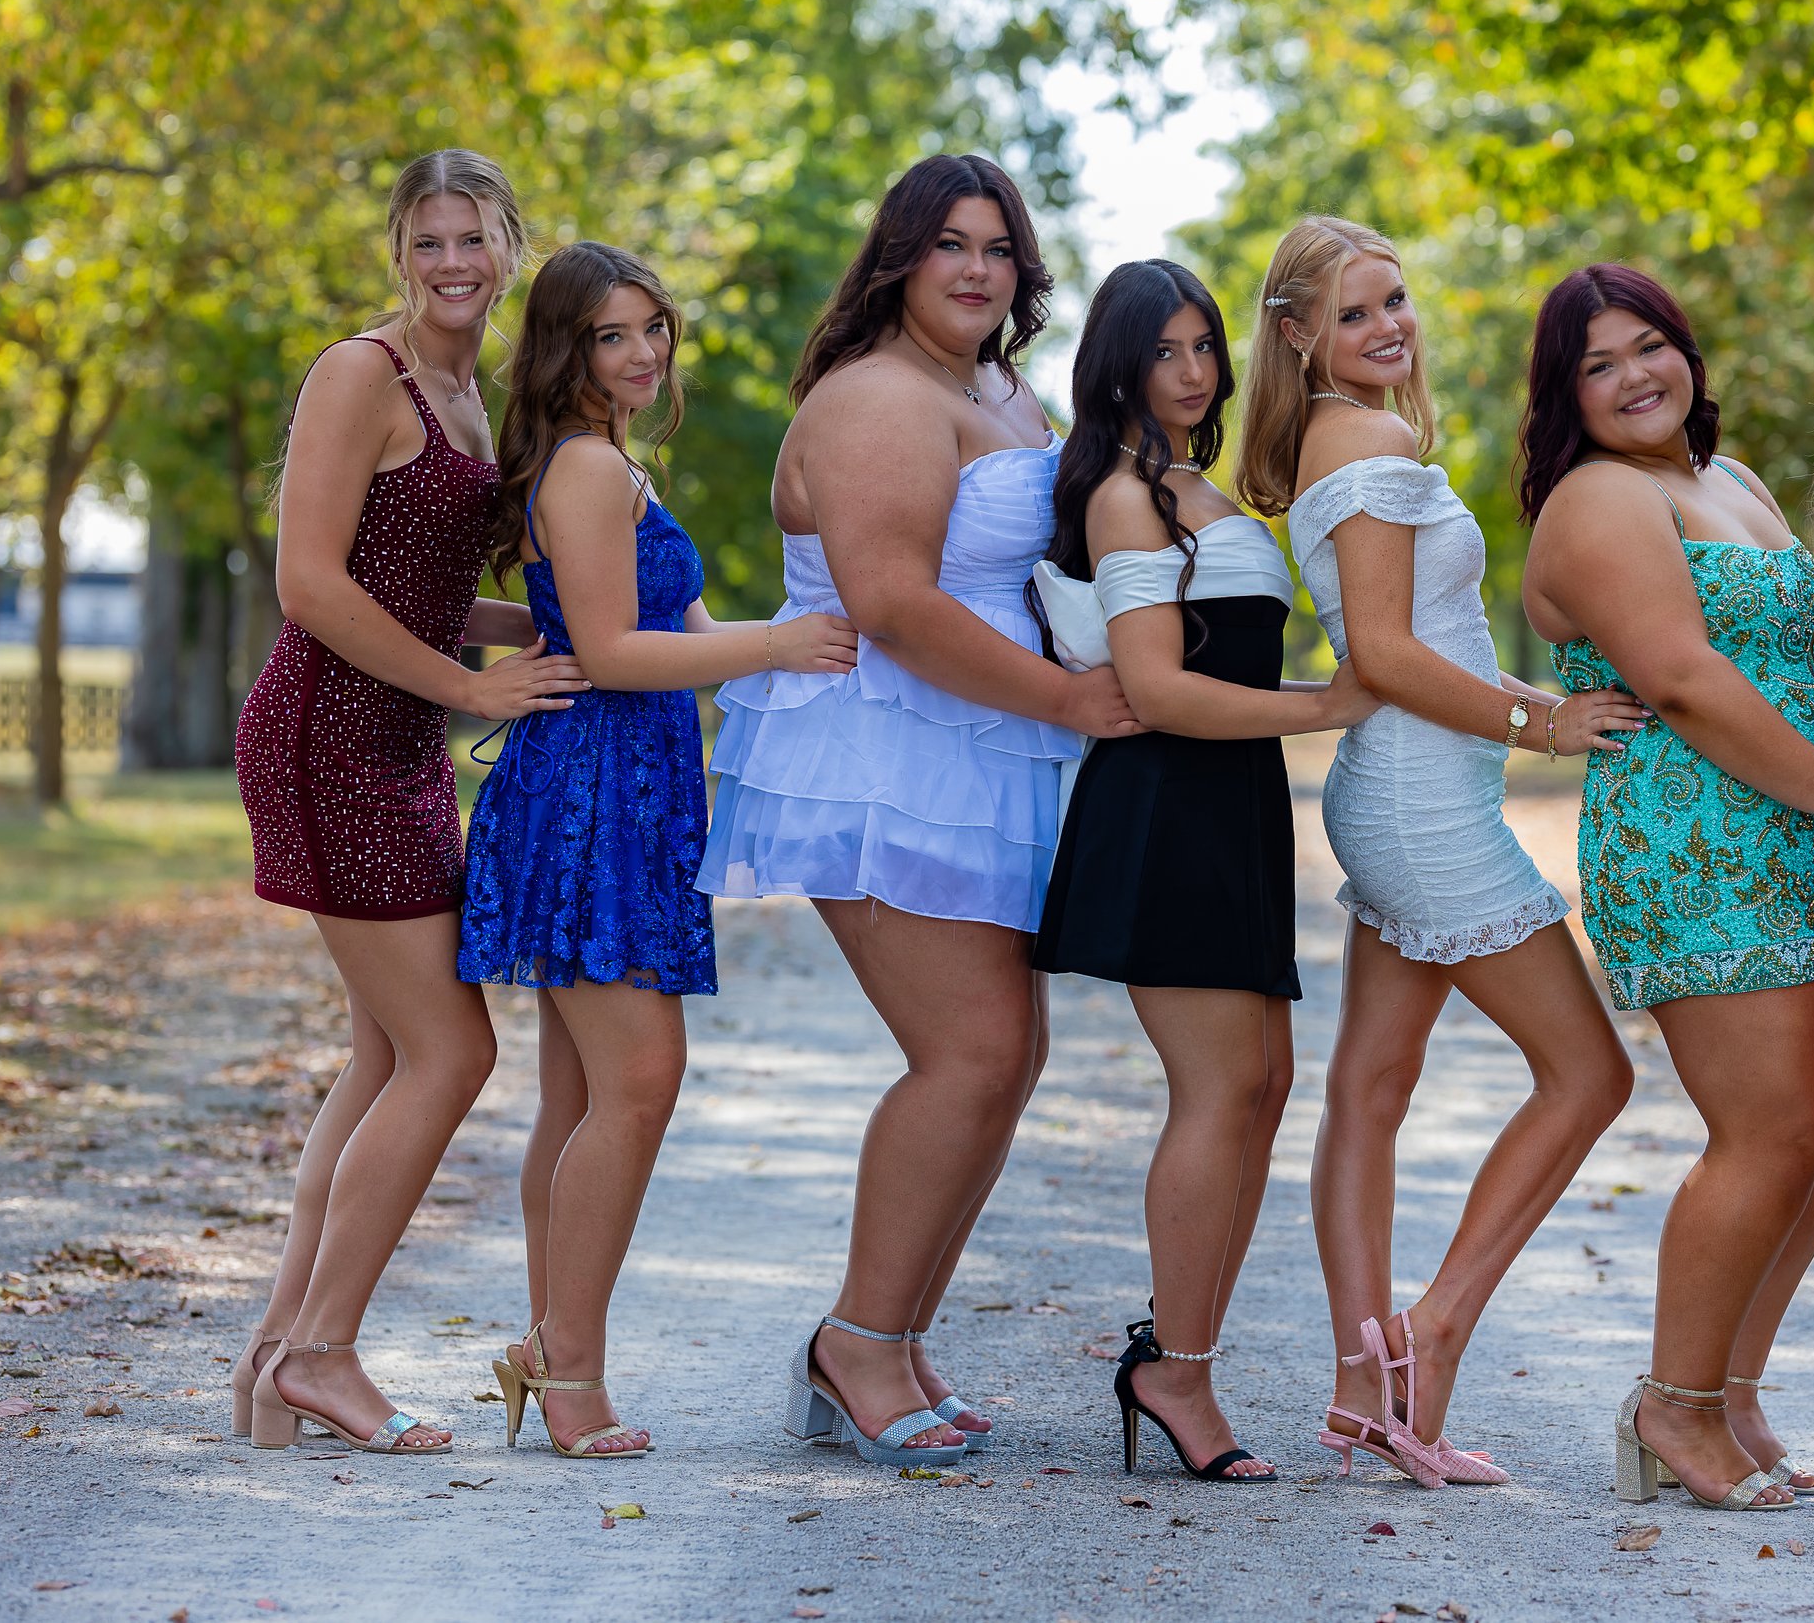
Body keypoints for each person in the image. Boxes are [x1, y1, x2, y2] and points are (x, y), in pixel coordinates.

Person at [696, 155, 1141, 1467]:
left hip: (987, 742)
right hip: (882, 746)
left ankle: (892, 1335)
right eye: (947, 243)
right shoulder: (876, 398)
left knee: (1005, 1055)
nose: (975, 268)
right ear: (896, 258)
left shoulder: (1000, 390)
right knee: (970, 1049)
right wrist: (1070, 703)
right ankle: (853, 1342)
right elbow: (890, 598)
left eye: (997, 247)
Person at [1235, 215, 1646, 1490]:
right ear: (1297, 334)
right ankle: (1433, 1327)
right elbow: (1387, 656)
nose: (1388, 327)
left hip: (1406, 786)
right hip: (1419, 803)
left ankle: (1367, 1390)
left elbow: (1439, 636)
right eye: (1355, 313)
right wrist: (1544, 721)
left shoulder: (1352, 433)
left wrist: (1533, 695)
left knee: (1371, 1083)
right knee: (1588, 1075)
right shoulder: (1356, 434)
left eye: (1395, 301)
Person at [452, 242, 854, 1458]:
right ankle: (564, 1362)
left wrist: (799, 638)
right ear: (566, 350)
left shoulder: (614, 464)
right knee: (636, 1083)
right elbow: (621, 652)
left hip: (629, 794)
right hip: (588, 801)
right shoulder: (581, 469)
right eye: (612, 336)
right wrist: (777, 651)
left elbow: (680, 627)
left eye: (652, 330)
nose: (642, 354)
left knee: (578, 1094)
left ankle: (551, 1339)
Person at [1516, 263, 1814, 1512]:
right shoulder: (1598, 499)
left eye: (1649, 346)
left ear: (1686, 351)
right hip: (1698, 846)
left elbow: (1811, 647)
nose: (1634, 376)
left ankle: (1727, 1387)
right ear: (1565, 395)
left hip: (1795, 841)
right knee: (1770, 1129)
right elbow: (1677, 675)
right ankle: (1669, 1405)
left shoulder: (1727, 481)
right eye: (1598, 363)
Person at [235, 150, 589, 1453]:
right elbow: (313, 586)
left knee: (387, 1052)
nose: (454, 263)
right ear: (399, 249)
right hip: (329, 737)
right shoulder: (360, 374)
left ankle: (276, 1356)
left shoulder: (471, 392)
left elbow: (426, 587)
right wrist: (472, 686)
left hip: (399, 739)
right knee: (452, 1050)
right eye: (429, 241)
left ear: (509, 244)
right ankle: (325, 1349)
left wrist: (571, 631)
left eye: (475, 239)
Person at [1030, 259, 1376, 1481]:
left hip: (1234, 806)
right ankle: (1174, 1367)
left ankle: (1184, 1356)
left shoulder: (1195, 486)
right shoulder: (1126, 498)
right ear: (1116, 364)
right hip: (1167, 805)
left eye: (1203, 348)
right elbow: (1159, 688)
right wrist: (1324, 703)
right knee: (1218, 1089)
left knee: (1264, 1083)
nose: (1190, 371)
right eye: (1164, 350)